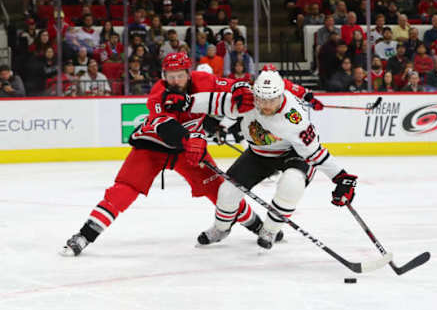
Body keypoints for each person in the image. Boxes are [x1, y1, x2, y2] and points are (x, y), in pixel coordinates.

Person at [60, 54, 322, 256]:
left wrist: (249, 90)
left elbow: (242, 86)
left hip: (190, 151)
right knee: (124, 188)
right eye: (170, 76)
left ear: (188, 73)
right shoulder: (158, 95)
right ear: (163, 76)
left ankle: (256, 227)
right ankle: (85, 235)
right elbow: (166, 126)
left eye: (180, 75)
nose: (175, 81)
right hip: (152, 148)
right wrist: (189, 139)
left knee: (221, 190)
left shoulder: (204, 81)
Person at [179, 68, 356, 249]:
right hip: (259, 152)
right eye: (261, 99)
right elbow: (216, 102)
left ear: (281, 95)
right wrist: (186, 102)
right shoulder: (248, 100)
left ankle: (270, 230)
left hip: (293, 154)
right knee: (226, 192)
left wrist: (341, 177)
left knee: (292, 185)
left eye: (272, 100)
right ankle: (221, 228)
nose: (266, 105)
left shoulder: (294, 118)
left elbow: (315, 153)